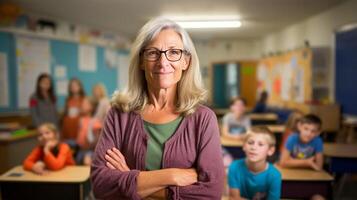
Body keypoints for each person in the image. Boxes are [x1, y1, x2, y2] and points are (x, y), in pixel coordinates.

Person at [91, 17, 224, 200]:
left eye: (174, 52)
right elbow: (100, 185)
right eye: (153, 53)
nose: (163, 62)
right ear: (141, 61)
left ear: (186, 62)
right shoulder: (119, 114)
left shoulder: (204, 118)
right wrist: (171, 176)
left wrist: (130, 178)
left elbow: (210, 193)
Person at [228, 126, 281, 200]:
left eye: (260, 144)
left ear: (270, 150)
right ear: (244, 146)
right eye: (250, 143)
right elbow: (233, 198)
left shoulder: (275, 175)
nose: (253, 147)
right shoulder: (234, 167)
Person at [76, 97, 102, 165]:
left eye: (85, 104)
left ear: (91, 107)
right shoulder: (81, 120)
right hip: (81, 150)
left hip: (90, 151)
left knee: (86, 162)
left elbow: (98, 139)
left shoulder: (95, 121)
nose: (82, 105)